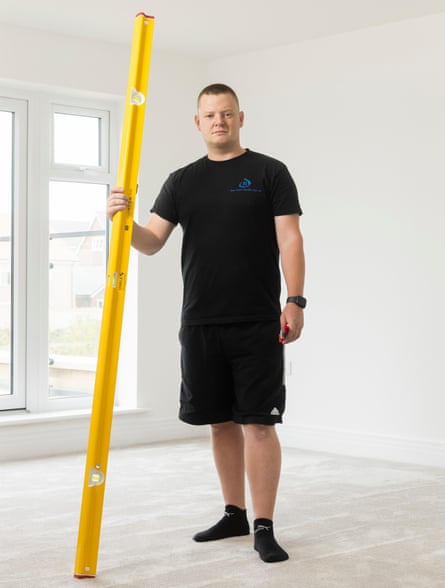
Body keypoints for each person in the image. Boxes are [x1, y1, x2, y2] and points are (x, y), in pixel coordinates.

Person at [107, 83, 305, 563]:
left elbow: (291, 239)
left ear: (241, 118)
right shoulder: (181, 181)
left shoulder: (268, 172)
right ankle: (233, 513)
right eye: (210, 114)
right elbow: (152, 241)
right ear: (197, 122)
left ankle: (263, 524)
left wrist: (295, 300)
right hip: (200, 321)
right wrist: (123, 221)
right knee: (219, 422)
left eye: (227, 113)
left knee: (258, 423)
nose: (219, 121)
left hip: (258, 319)